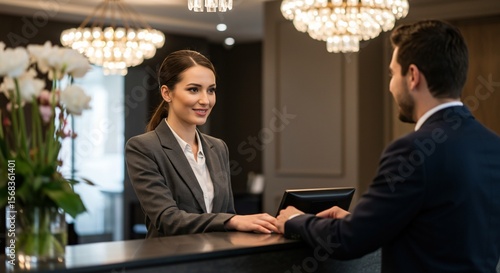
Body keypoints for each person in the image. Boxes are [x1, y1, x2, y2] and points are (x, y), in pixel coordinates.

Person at [276, 19, 500, 272]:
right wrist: (368, 221)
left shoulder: (412, 150)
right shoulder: (494, 145)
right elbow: (446, 228)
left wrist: (295, 219)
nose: (390, 85)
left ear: (413, 76)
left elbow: (348, 240)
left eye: (393, 74)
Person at [126, 50, 278, 238]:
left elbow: (227, 212)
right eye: (193, 89)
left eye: (211, 90)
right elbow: (167, 219)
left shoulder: (218, 147)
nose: (205, 100)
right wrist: (231, 221)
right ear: (166, 93)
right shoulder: (143, 147)